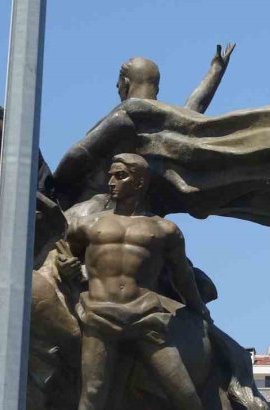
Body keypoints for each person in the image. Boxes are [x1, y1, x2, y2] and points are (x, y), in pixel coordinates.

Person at [65, 154, 211, 410]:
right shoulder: (87, 225)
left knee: (186, 395)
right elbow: (68, 255)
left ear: (140, 182)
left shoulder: (165, 229)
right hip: (99, 315)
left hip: (146, 317)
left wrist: (199, 307)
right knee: (92, 393)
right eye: (110, 175)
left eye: (120, 176)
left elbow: (182, 274)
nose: (111, 181)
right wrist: (68, 268)